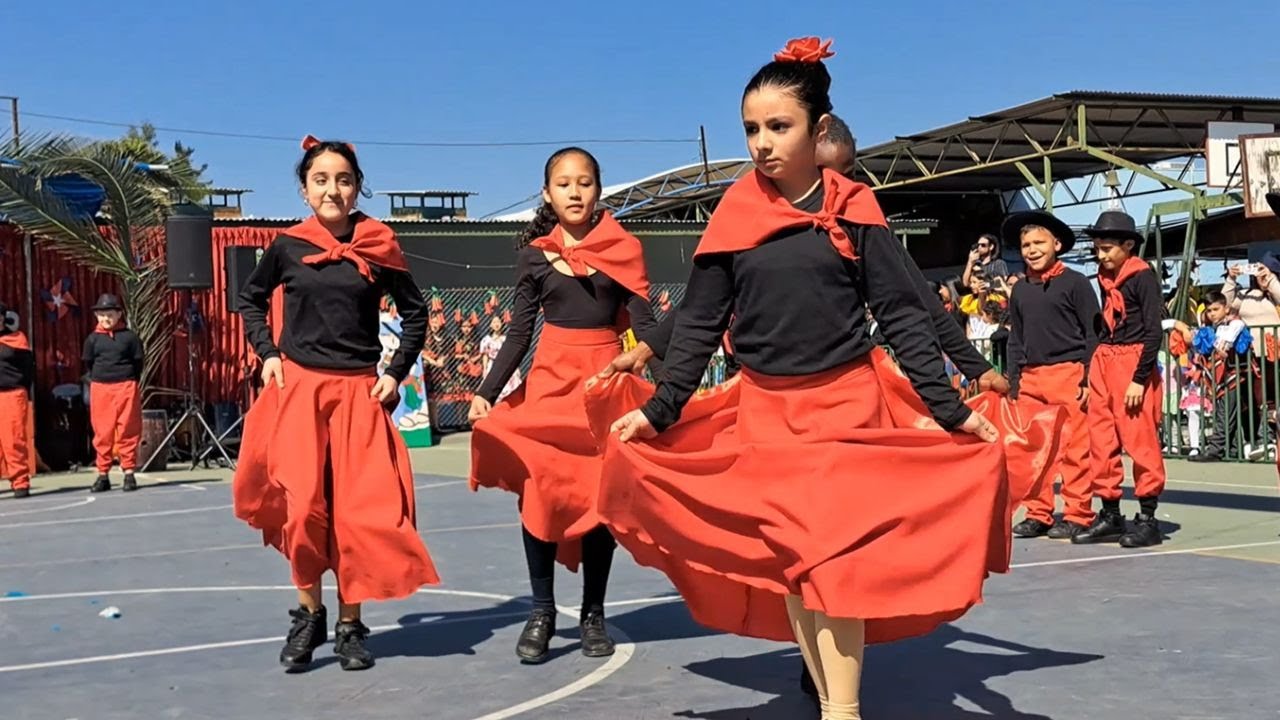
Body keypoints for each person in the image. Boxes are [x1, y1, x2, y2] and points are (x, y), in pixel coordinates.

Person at [590, 37, 1011, 720]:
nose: (761, 143)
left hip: (846, 411)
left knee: (835, 569)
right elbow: (699, 322)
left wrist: (948, 407)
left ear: (819, 132)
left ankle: (842, 711)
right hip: (766, 417)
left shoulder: (858, 211)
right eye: (751, 129)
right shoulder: (733, 216)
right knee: (799, 568)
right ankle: (827, 700)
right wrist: (662, 410)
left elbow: (903, 314)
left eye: (777, 127)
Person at [233, 135, 440, 672]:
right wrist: (268, 353)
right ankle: (309, 615)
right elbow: (250, 299)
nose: (333, 189)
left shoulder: (380, 244)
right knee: (302, 510)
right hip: (300, 391)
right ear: (305, 190)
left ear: (356, 188)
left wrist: (395, 374)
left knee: (357, 515)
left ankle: (351, 624)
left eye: (343, 179)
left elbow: (416, 316)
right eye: (321, 179)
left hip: (357, 395)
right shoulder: (286, 247)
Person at [468, 147, 658, 665]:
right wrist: (487, 390)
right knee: (540, 495)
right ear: (548, 193)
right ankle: (542, 611)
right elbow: (518, 332)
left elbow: (649, 326)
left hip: (602, 388)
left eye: (585, 183)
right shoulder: (533, 255)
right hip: (548, 388)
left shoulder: (623, 249)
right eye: (564, 184)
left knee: (600, 505)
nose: (575, 192)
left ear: (599, 191)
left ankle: (592, 614)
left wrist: (653, 370)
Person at [1002, 211, 1099, 540]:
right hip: (1031, 377)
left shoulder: (1076, 282)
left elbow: (1092, 333)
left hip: (1069, 373)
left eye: (1039, 242)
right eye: (1026, 244)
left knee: (1075, 450)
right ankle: (1038, 513)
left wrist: (1087, 378)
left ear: (1056, 244)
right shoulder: (1019, 290)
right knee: (1034, 450)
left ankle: (1078, 513)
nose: (1031, 249)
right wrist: (1014, 380)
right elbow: (1016, 337)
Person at [1072, 210, 1166, 548]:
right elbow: (1103, 325)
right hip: (1105, 360)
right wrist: (1089, 371)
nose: (1101, 255)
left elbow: (1154, 332)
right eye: (1098, 248)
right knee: (1101, 439)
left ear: (1128, 245)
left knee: (1140, 441)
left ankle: (1148, 518)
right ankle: (1110, 513)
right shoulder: (1104, 276)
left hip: (1132, 360)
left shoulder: (1142, 276)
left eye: (1108, 248)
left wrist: (1139, 378)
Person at [82, 293, 144, 493]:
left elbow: (138, 362)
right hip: (101, 387)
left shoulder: (130, 338)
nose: (105, 319)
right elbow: (88, 363)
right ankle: (103, 475)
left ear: (119, 314)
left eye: (109, 314)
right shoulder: (92, 340)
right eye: (101, 315)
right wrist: (100, 379)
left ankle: (128, 472)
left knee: (128, 429)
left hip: (126, 385)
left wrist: (129, 379)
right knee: (103, 432)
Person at [0, 302, 33, 499]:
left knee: (14, 440)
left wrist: (24, 390)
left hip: (12, 394)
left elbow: (28, 369)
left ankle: (20, 481)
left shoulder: (17, 339)